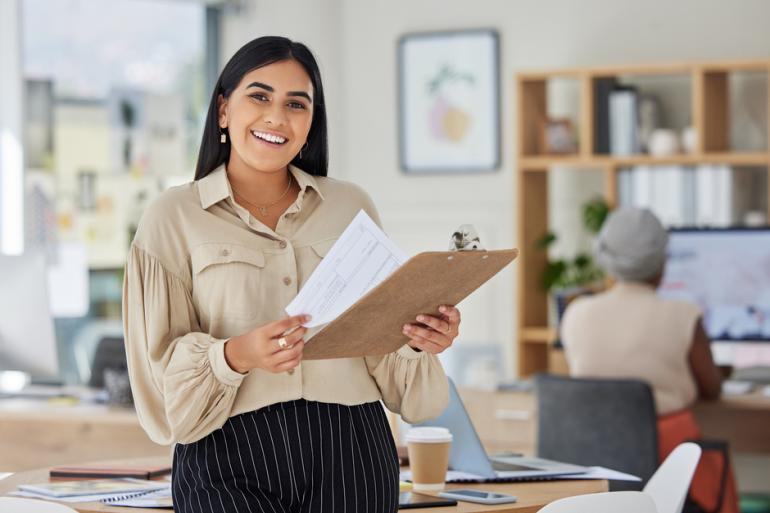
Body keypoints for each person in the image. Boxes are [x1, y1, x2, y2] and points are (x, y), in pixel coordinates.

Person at [123, 36, 456, 513]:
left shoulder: (350, 206)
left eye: (296, 104)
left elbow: (384, 351)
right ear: (223, 109)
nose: (277, 118)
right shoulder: (172, 217)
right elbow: (159, 390)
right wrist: (237, 355)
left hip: (354, 452)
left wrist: (420, 336)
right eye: (259, 96)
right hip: (226, 454)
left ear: (310, 122)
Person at [561, 207, 738, 513]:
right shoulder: (683, 315)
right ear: (662, 260)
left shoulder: (576, 313)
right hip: (665, 468)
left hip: (593, 471)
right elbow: (712, 390)